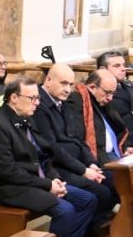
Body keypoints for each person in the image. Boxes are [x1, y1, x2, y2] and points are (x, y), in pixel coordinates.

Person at [0, 77, 100, 237]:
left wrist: (54, 178)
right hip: (10, 187)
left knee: (88, 200)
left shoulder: (26, 118)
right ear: (14, 98)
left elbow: (43, 154)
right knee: (65, 210)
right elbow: (7, 171)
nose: (36, 103)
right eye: (32, 98)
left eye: (38, 98)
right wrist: (47, 185)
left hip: (35, 180)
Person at [32, 64, 119, 218]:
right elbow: (52, 148)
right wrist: (83, 171)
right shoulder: (39, 106)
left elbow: (78, 138)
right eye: (63, 83)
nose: (67, 89)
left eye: (71, 85)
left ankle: (100, 225)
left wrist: (91, 163)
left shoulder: (63, 103)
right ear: (48, 80)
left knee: (117, 180)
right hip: (57, 168)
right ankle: (90, 230)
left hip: (76, 164)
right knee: (101, 193)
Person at [67, 70, 133, 167]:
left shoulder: (103, 101)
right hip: (100, 160)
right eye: (107, 93)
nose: (110, 98)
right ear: (92, 87)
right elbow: (78, 139)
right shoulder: (77, 101)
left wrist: (125, 148)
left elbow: (118, 130)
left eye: (113, 93)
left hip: (117, 155)